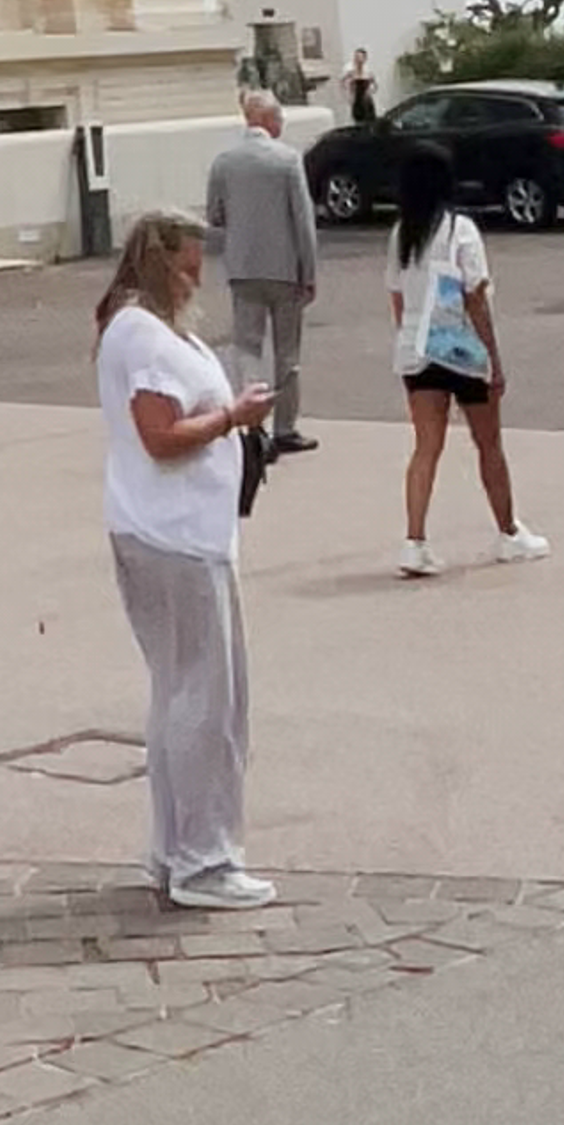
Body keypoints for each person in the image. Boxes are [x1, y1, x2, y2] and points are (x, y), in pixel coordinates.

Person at [96, 213, 274, 907]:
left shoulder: (156, 328)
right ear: (159, 262)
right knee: (206, 694)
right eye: (187, 263)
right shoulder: (140, 331)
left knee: (185, 690)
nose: (198, 275)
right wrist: (232, 418)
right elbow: (161, 435)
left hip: (181, 530)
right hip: (174, 535)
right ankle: (203, 858)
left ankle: (177, 850)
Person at [389, 156, 547, 570]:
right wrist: (493, 356)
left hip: (418, 349)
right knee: (488, 444)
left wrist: (409, 336)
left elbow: (398, 296)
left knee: (426, 447)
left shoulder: (401, 234)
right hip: (460, 346)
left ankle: (414, 540)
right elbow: (474, 294)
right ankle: (508, 531)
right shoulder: (461, 229)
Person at [204, 81, 321, 452]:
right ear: (268, 119)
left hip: (243, 268)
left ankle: (254, 425)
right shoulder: (287, 160)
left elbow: (215, 215)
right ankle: (286, 427)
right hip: (285, 268)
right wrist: (309, 271)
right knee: (287, 352)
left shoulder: (224, 162)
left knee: (247, 347)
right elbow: (303, 221)